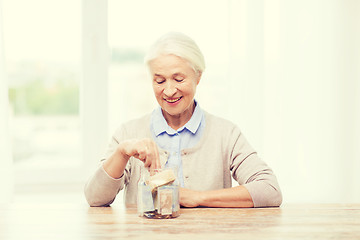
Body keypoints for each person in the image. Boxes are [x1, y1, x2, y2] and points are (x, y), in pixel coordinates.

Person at [84, 32, 282, 208]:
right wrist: (121, 153)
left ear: (198, 77)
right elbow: (94, 198)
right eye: (159, 81)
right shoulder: (128, 133)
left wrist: (196, 197)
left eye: (179, 79)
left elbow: (269, 190)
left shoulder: (225, 134)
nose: (169, 91)